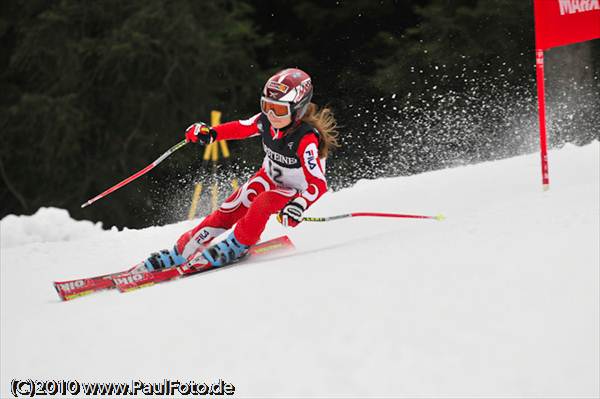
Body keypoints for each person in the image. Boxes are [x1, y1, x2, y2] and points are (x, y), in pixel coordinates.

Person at [143, 68, 339, 270]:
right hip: (268, 177)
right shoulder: (265, 121)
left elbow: (318, 183)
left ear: (298, 109)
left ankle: (237, 244)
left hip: (293, 190)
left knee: (262, 203)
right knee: (231, 206)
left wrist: (299, 205)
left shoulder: (306, 139)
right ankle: (182, 251)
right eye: (266, 106)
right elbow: (241, 127)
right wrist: (210, 133)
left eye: (279, 110)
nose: (271, 115)